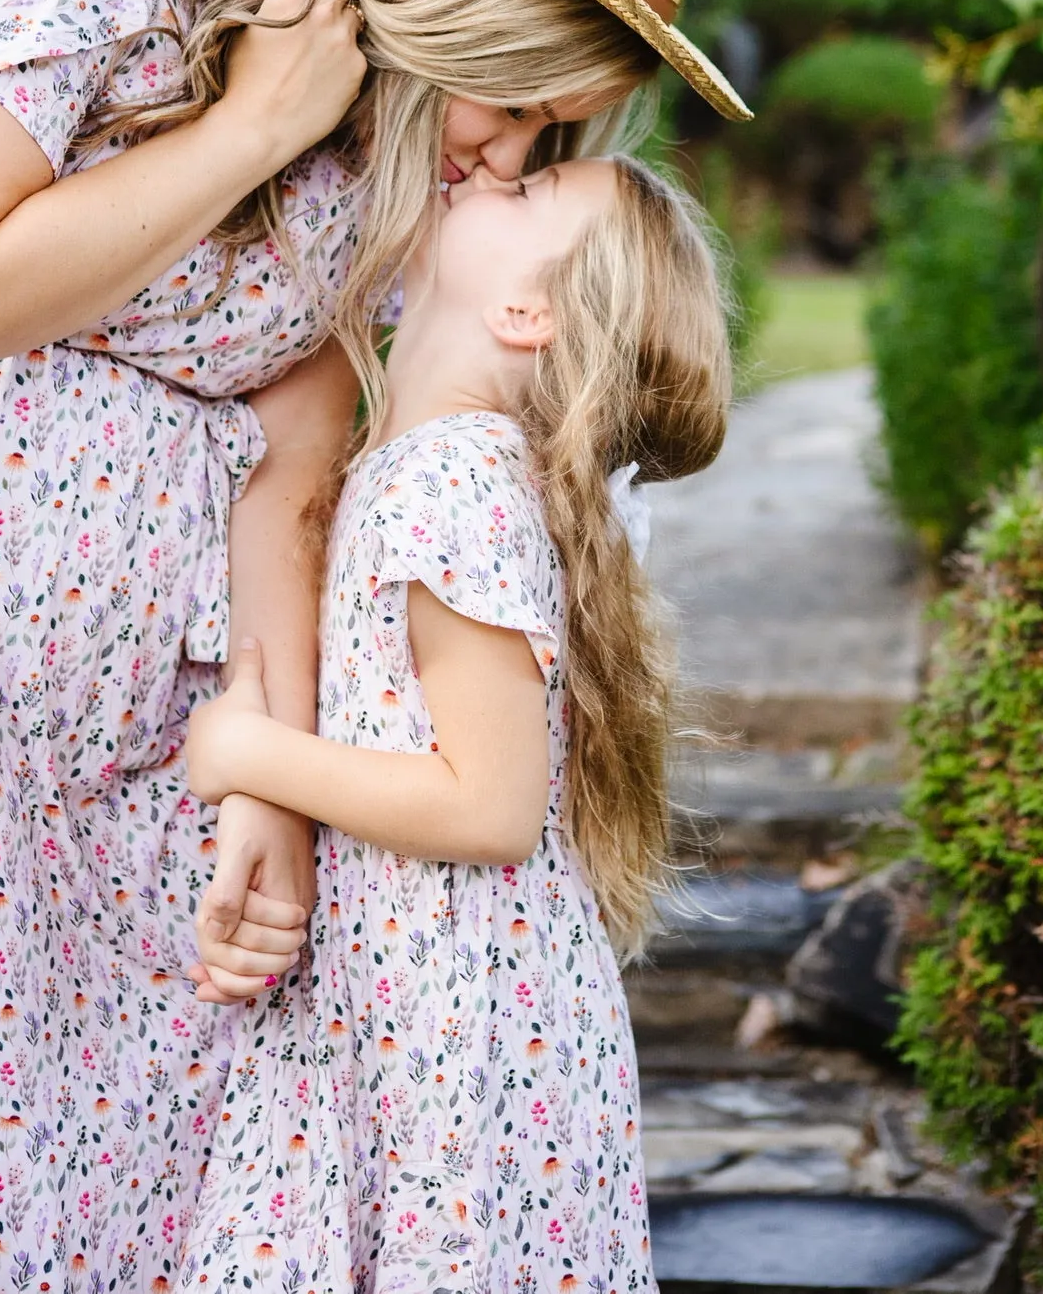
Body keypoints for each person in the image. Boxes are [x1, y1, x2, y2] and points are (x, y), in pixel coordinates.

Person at [0, 0, 747, 1286]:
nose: (502, 158)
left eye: (546, 143)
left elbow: (305, 429)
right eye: (516, 104)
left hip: (131, 758)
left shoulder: (384, 146)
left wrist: (271, 784)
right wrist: (245, 127)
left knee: (106, 1196)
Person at [181, 149, 733, 1291]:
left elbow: (488, 805)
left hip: (459, 1031)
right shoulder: (430, 465)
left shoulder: (452, 483)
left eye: (528, 191)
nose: (493, 171)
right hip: (435, 1008)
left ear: (525, 310)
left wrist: (252, 753)